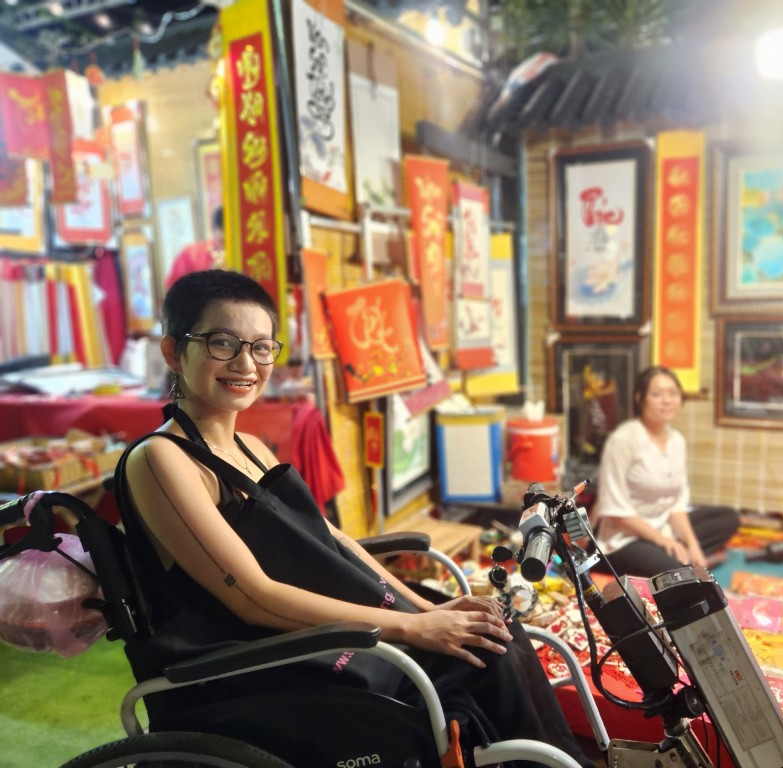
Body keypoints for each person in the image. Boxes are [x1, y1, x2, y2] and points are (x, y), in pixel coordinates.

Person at [114, 269, 592, 766]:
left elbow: (331, 539)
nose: (246, 363)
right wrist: (413, 628)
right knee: (482, 662)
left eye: (261, 347)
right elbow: (254, 597)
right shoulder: (161, 459)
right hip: (257, 663)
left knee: (496, 634)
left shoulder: (249, 446)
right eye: (222, 343)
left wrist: (426, 609)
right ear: (174, 352)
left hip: (306, 635)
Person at [592, 365, 739, 577]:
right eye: (657, 394)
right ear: (640, 398)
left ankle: (678, 556)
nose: (667, 400)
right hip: (625, 539)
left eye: (673, 393)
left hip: (664, 528)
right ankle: (673, 560)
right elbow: (615, 512)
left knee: (728, 518)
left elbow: (676, 506)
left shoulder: (677, 441)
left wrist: (694, 545)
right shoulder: (622, 440)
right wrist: (662, 540)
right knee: (679, 575)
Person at [163, 206, 225, 290]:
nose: (223, 247)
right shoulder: (191, 254)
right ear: (212, 230)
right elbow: (172, 287)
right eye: (221, 241)